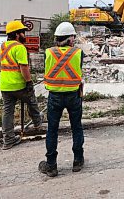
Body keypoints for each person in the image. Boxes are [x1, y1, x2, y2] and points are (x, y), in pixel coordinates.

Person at [39, 22, 84, 177]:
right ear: (70, 38)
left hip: (55, 96)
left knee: (52, 130)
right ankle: (78, 160)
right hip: (73, 95)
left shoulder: (48, 52)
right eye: (73, 37)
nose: (74, 39)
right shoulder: (78, 53)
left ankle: (51, 165)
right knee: (76, 127)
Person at [0, 20, 43, 150]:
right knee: (32, 101)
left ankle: (8, 140)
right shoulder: (19, 47)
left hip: (5, 85)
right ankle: (38, 125)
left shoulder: (3, 46)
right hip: (19, 85)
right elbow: (24, 68)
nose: (25, 35)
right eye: (23, 32)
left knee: (7, 112)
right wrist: (29, 82)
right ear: (17, 34)